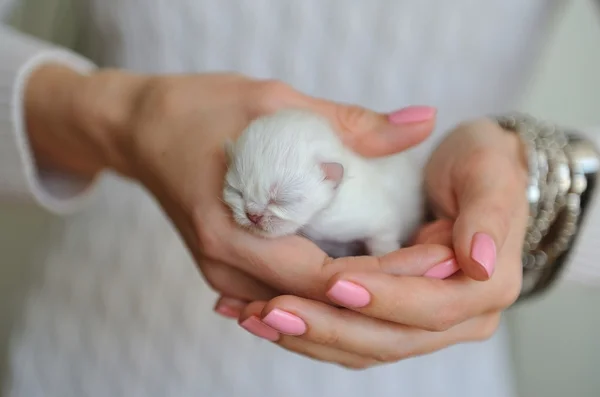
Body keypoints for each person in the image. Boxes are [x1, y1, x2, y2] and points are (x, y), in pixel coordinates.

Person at [1, 0, 599, 396]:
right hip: (98, 343)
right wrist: (115, 117)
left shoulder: (349, 187)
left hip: (424, 371)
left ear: (330, 179)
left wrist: (538, 191)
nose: (256, 215)